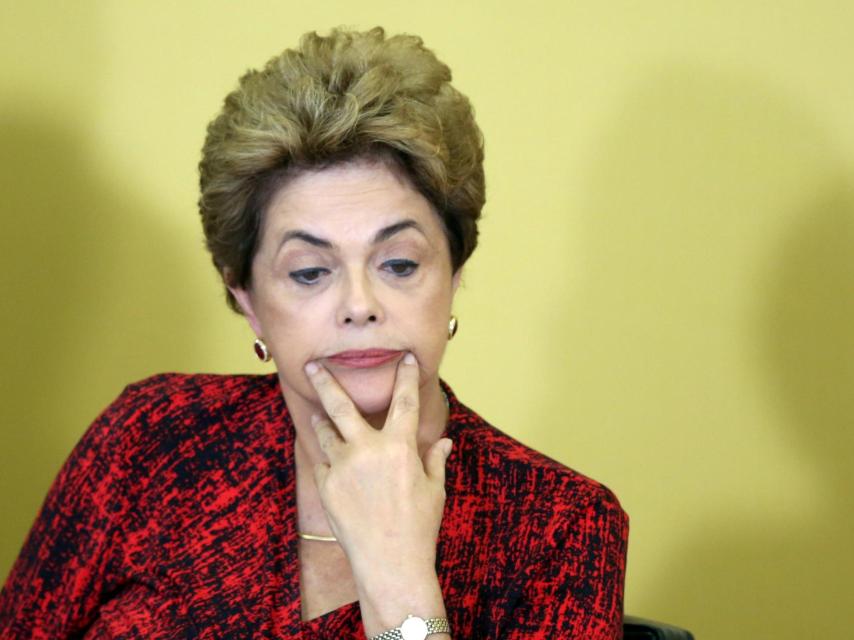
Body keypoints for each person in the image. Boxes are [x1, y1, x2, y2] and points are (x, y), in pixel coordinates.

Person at [0, 27, 628, 639]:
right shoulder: (151, 439)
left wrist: (397, 575)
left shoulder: (559, 526)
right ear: (245, 296)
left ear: (454, 273)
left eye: (399, 264)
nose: (359, 305)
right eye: (309, 272)